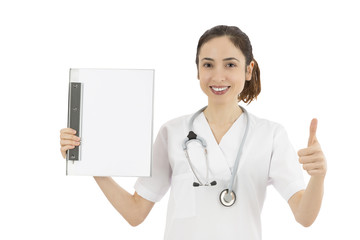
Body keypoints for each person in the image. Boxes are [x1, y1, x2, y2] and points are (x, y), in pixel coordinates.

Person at [59, 25, 327, 240]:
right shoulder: (173, 132)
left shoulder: (270, 135)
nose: (218, 76)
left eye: (230, 65)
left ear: (249, 70)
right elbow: (135, 213)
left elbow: (304, 217)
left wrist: (318, 176)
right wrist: (91, 163)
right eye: (208, 65)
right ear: (197, 70)